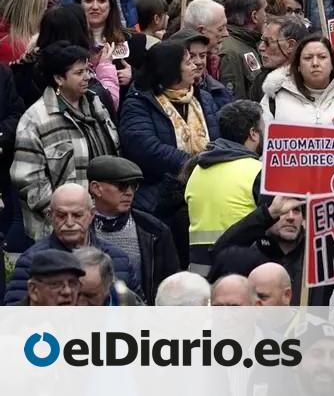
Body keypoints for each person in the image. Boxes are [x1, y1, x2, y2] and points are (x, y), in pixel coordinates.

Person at [11, 42, 118, 242]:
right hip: (58, 230)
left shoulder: (96, 104)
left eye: (87, 70)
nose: (87, 77)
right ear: (59, 78)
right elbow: (28, 180)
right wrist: (64, 216)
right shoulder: (36, 119)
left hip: (102, 221)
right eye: (79, 73)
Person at [119, 40, 220, 253]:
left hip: (201, 195)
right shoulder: (139, 103)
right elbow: (146, 148)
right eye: (187, 62)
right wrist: (193, 164)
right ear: (170, 70)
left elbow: (217, 140)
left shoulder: (203, 98)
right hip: (157, 200)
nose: (195, 65)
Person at [5, 183, 139, 304]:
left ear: (91, 214)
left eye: (77, 215)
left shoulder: (117, 258)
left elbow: (140, 315)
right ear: (51, 216)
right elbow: (14, 318)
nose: (69, 223)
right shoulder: (31, 261)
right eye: (62, 215)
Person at [85, 155, 178, 304]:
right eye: (121, 185)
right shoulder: (78, 229)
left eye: (133, 186)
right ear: (96, 188)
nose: (129, 192)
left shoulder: (155, 230)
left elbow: (171, 286)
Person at [184, 100, 264, 269]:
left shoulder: (196, 169)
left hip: (201, 272)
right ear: (253, 133)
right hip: (241, 270)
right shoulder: (257, 171)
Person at [261, 35, 334, 127]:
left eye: (322, 57)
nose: (315, 63)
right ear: (298, 66)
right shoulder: (274, 99)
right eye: (308, 58)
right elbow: (260, 141)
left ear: (332, 64)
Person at [218, 0, 267, 100]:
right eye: (265, 10)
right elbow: (234, 103)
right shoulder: (230, 53)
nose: (266, 16)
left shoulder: (252, 43)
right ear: (254, 16)